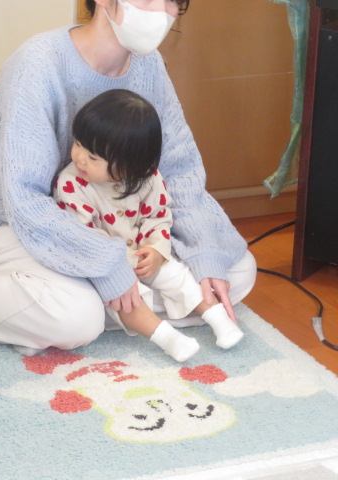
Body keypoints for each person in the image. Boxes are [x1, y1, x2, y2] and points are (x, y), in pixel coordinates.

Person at [0, 0, 256, 355]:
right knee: (76, 317)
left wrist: (203, 249)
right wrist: (105, 263)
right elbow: (24, 199)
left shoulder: (150, 65)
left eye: (172, 1)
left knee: (235, 272)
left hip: (114, 223)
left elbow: (178, 168)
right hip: (7, 221)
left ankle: (71, 308)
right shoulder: (37, 63)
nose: (163, 10)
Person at [53, 89, 243, 362]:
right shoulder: (72, 183)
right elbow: (81, 235)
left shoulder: (148, 178)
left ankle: (219, 319)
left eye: (93, 157)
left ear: (131, 165)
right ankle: (168, 338)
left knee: (178, 274)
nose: (80, 158)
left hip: (144, 257)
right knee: (128, 299)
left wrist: (156, 251)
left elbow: (157, 216)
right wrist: (120, 265)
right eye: (78, 144)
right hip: (105, 267)